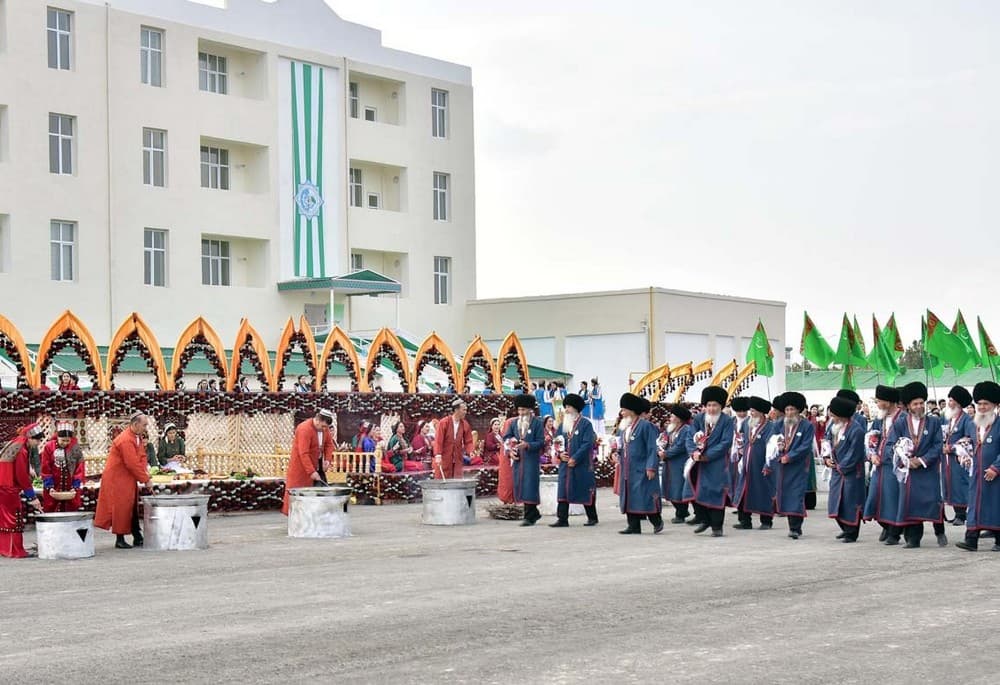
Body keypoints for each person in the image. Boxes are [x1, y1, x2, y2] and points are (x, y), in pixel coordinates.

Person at [888, 381, 945, 549]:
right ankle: (913, 539)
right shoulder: (899, 424)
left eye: (922, 403)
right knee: (910, 504)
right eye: (915, 404)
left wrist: (921, 461)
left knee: (933, 501)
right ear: (908, 406)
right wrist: (903, 459)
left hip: (928, 470)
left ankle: (939, 530)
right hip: (908, 473)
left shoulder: (934, 422)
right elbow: (892, 445)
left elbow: (938, 445)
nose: (919, 406)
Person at [95, 413, 154, 549]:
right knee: (121, 507)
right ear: (135, 424)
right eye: (144, 425)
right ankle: (120, 538)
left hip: (126, 476)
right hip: (117, 477)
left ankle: (137, 536)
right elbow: (132, 463)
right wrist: (146, 479)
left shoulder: (136, 437)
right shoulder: (126, 439)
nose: (146, 427)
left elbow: (142, 456)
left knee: (131, 506)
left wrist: (145, 473)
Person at [682, 385, 734, 537]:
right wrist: (693, 453)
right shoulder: (698, 419)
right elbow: (690, 437)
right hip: (697, 463)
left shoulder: (727, 421)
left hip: (716, 464)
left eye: (715, 405)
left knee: (716, 493)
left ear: (721, 406)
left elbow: (725, 442)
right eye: (709, 405)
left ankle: (717, 527)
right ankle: (704, 519)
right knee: (694, 491)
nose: (711, 409)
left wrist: (708, 455)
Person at [956, 381, 1000, 552]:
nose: (982, 407)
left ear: (995, 405)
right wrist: (963, 451)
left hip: (994, 475)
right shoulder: (972, 423)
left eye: (986, 404)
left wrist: (996, 468)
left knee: (995, 506)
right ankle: (971, 539)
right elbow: (969, 442)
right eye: (979, 404)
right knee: (974, 505)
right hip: (976, 474)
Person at [766, 392, 815, 540]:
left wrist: (790, 456)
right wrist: (777, 453)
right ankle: (790, 524)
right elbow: (772, 441)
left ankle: (795, 527)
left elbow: (806, 446)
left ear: (798, 410)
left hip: (798, 467)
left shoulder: (807, 425)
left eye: (792, 409)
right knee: (785, 494)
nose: (789, 413)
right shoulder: (779, 424)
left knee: (796, 495)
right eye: (787, 410)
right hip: (781, 466)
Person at [550, 393, 598, 527]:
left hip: (581, 464)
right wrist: (560, 455)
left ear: (576, 408)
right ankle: (562, 519)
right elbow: (557, 441)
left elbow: (587, 443)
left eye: (569, 407)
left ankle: (592, 517)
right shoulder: (563, 424)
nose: (566, 410)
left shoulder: (585, 424)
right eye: (566, 407)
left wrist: (575, 458)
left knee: (584, 488)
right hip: (565, 464)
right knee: (563, 490)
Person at [617, 393, 663, 534]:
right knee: (630, 496)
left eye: (624, 409)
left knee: (644, 496)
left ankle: (656, 520)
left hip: (642, 469)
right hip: (628, 469)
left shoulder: (646, 426)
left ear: (631, 410)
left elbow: (652, 448)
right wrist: (616, 454)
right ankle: (633, 526)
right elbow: (622, 446)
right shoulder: (625, 428)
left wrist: (651, 466)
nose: (622, 413)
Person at [863, 385, 904, 544]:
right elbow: (872, 439)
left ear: (888, 402)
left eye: (879, 401)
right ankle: (886, 526)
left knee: (892, 499)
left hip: (894, 467)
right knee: (875, 497)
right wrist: (872, 454)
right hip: (878, 466)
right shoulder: (879, 419)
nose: (877, 404)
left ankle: (894, 532)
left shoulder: (902, 419)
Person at [0, 423, 45, 558]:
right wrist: (32, 497)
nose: (37, 444)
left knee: (4, 519)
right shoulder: (22, 450)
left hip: (3, 486)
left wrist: (28, 469)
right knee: (14, 518)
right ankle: (15, 550)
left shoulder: (16, 442)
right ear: (31, 438)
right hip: (8, 488)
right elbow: (21, 476)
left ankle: (4, 548)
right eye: (37, 441)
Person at [824, 396, 866, 542]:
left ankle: (852, 532)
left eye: (834, 416)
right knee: (835, 501)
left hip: (852, 473)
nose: (832, 418)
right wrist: (826, 459)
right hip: (836, 471)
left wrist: (842, 467)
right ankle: (844, 528)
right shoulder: (833, 428)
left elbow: (854, 453)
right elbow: (827, 444)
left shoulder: (856, 430)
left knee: (850, 502)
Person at [731, 396, 775, 531]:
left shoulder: (770, 427)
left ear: (762, 412)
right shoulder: (747, 424)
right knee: (742, 491)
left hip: (760, 465)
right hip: (746, 465)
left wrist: (768, 464)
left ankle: (766, 521)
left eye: (754, 411)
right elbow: (742, 439)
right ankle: (744, 521)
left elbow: (771, 448)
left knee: (762, 492)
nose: (751, 413)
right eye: (750, 410)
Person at [281, 410, 335, 515]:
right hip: (301, 467)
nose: (325, 429)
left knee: (319, 493)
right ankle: (297, 518)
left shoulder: (325, 429)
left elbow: (329, 444)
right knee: (300, 494)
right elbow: (303, 453)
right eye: (323, 426)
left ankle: (317, 517)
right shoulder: (304, 429)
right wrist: (311, 471)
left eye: (326, 427)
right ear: (318, 420)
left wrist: (327, 460)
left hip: (317, 464)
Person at [503, 394, 545, 525]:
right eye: (519, 410)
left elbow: (541, 442)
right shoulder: (514, 423)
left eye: (524, 410)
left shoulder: (537, 423)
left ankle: (529, 516)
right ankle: (534, 513)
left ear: (530, 410)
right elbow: (507, 437)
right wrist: (510, 449)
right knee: (520, 484)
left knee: (530, 485)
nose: (521, 413)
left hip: (531, 459)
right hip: (518, 459)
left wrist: (528, 445)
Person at [941, 385, 975, 527]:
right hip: (947, 460)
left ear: (959, 403)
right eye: (949, 399)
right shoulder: (948, 419)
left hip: (959, 459)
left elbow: (969, 439)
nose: (949, 403)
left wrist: (953, 447)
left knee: (960, 484)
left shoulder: (966, 420)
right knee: (950, 484)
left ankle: (962, 513)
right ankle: (956, 512)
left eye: (952, 400)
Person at [40, 421, 85, 513]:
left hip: (70, 486)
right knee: (52, 510)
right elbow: (45, 468)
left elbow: (79, 468)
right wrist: (50, 486)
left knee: (70, 510)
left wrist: (75, 486)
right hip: (54, 486)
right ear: (57, 437)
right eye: (62, 440)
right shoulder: (49, 447)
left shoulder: (75, 448)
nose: (65, 443)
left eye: (67, 440)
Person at [660, 404, 693, 524]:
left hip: (679, 463)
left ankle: (681, 513)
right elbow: (666, 443)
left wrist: (666, 454)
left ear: (679, 418)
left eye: (672, 416)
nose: (670, 418)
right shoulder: (671, 430)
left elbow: (680, 447)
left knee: (679, 488)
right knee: (670, 487)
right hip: (669, 464)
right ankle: (681, 511)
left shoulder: (686, 430)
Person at [434, 399, 474, 479]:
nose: (465, 412)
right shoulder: (444, 422)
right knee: (442, 479)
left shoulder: (465, 424)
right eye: (464, 410)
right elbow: (438, 440)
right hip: (445, 456)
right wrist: (438, 455)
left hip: (457, 456)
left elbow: (468, 441)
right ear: (456, 410)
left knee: (457, 478)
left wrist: (470, 451)